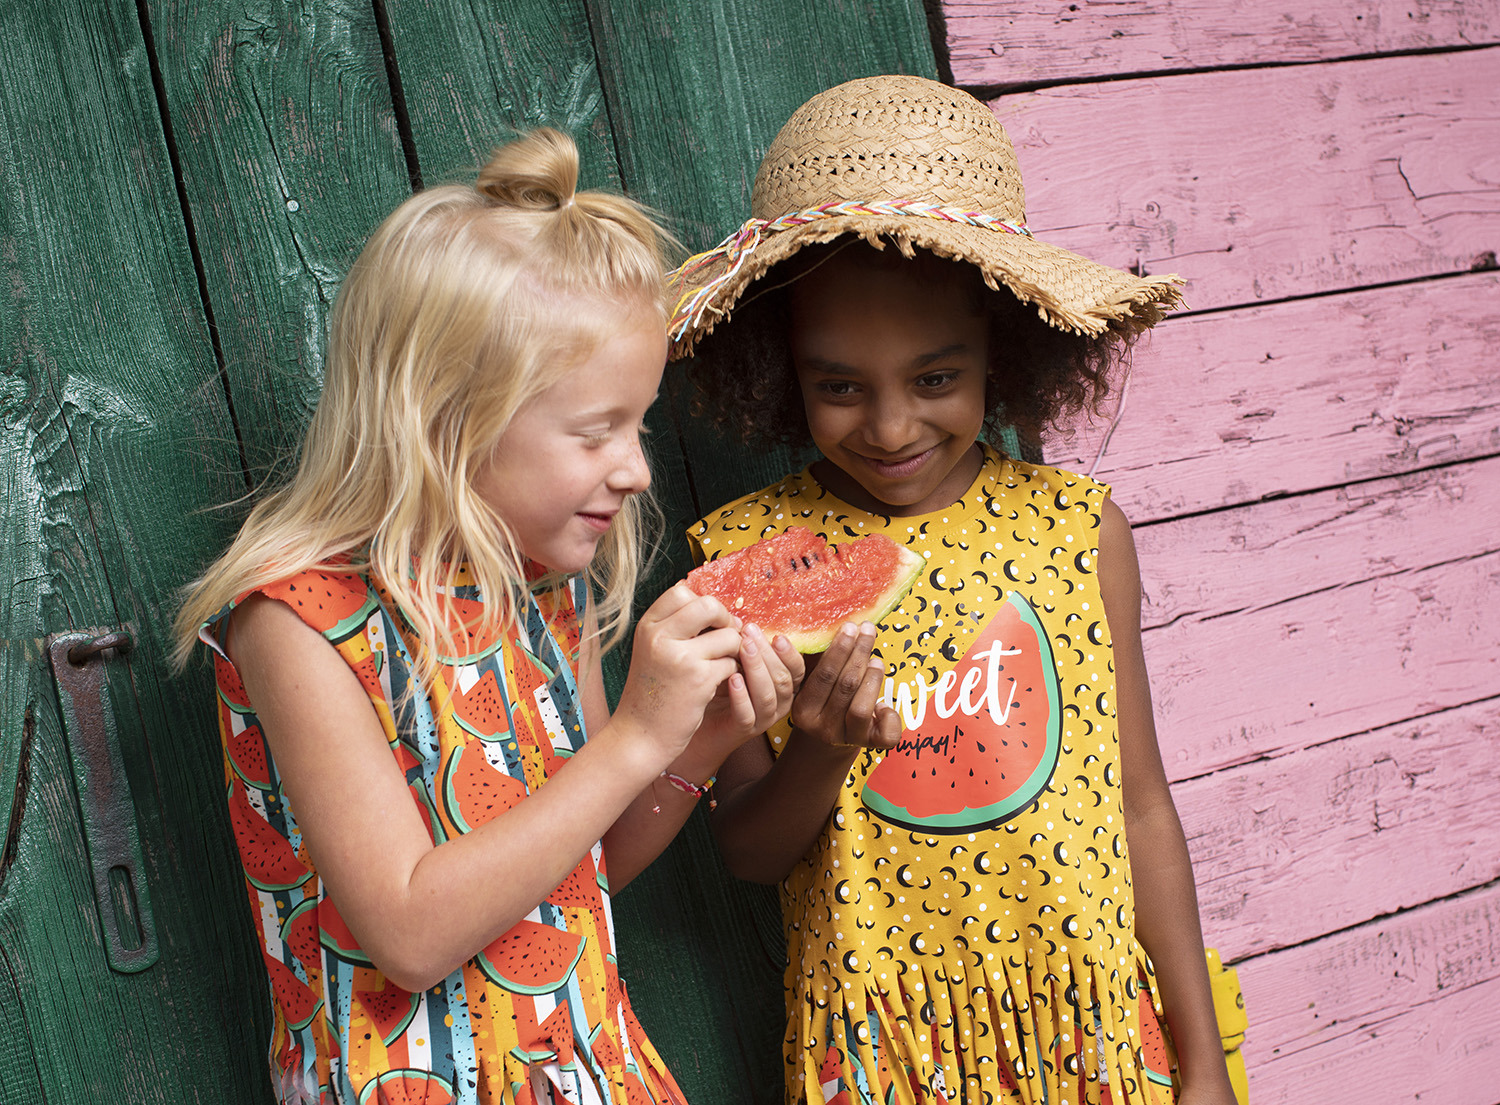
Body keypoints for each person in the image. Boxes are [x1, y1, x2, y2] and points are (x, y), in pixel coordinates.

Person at [174, 128, 803, 1105]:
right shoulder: (298, 624)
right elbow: (413, 934)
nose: (636, 469)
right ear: (445, 417)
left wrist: (702, 736)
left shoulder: (543, 590)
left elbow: (582, 870)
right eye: (597, 431)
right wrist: (636, 735)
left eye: (637, 424)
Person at [671, 76, 1237, 1105]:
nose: (890, 428)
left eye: (936, 379)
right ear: (781, 371)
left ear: (1005, 355)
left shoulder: (1082, 532)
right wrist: (825, 747)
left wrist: (1202, 1063)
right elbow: (749, 850)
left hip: (1092, 1036)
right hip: (881, 1051)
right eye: (839, 384)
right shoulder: (742, 559)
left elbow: (1141, 807)